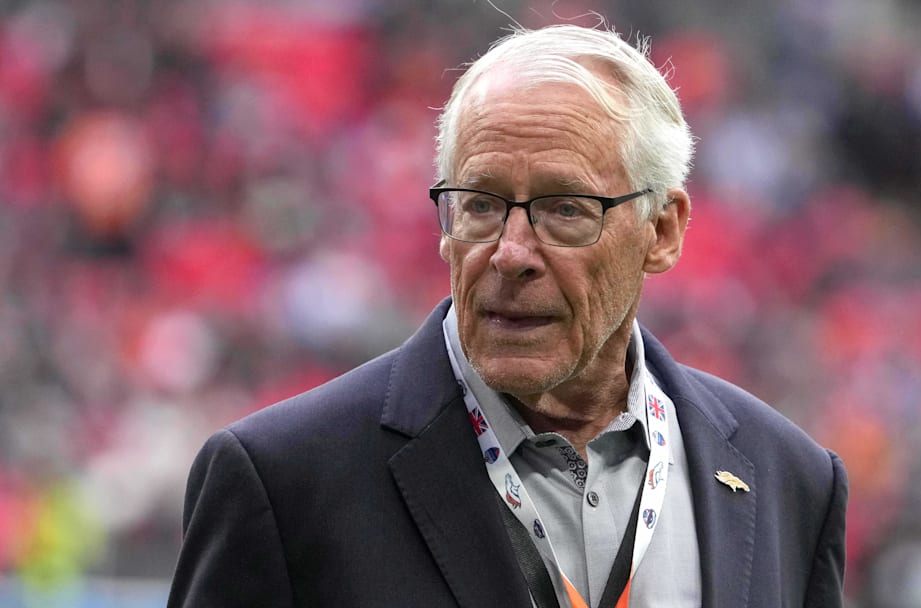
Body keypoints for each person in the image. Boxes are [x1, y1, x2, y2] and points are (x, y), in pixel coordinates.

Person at [167, 24, 847, 607]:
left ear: (663, 231)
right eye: (481, 204)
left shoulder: (789, 481)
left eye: (566, 209)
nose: (511, 253)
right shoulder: (284, 481)